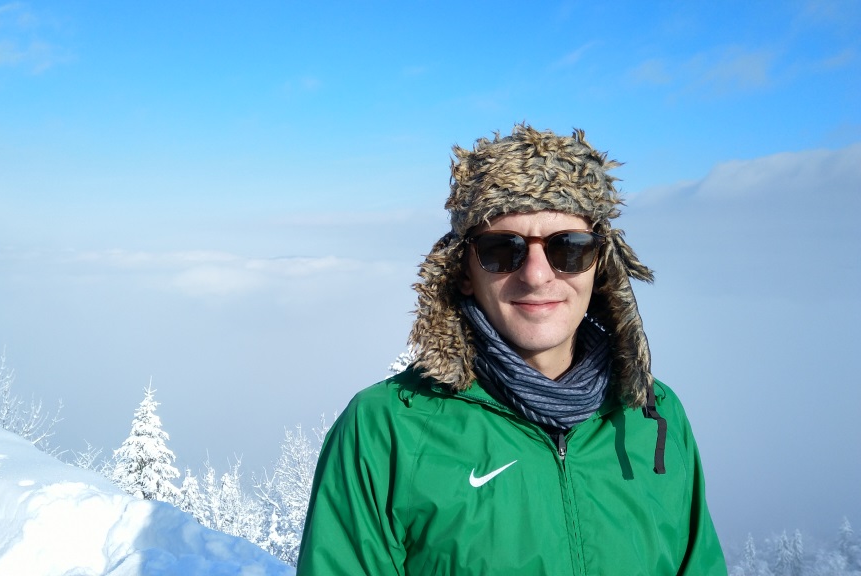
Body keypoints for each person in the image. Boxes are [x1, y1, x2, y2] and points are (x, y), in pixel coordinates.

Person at [297, 124, 727, 575]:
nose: (537, 275)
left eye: (570, 248)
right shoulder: (385, 429)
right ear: (464, 271)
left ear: (600, 265)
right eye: (502, 250)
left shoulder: (655, 417)